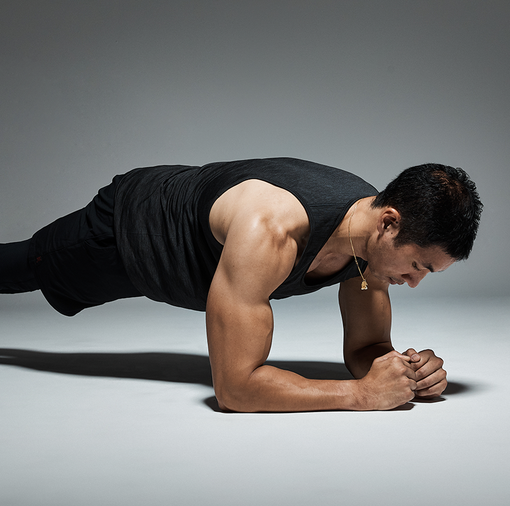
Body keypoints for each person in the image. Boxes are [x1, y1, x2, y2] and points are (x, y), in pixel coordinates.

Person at [0, 158, 482, 412]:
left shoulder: (368, 243)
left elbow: (367, 348)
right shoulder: (271, 229)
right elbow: (235, 389)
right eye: (417, 265)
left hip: (182, 249)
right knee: (15, 268)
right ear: (390, 223)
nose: (413, 283)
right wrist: (360, 396)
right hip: (124, 235)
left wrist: (404, 373)